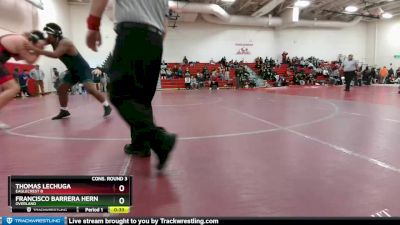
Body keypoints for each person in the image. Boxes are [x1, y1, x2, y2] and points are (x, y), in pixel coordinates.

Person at [86, 0, 176, 170]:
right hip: (155, 40)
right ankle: (140, 145)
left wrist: (93, 26)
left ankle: (159, 139)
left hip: (132, 33)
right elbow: (165, 26)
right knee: (142, 98)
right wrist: (151, 42)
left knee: (120, 94)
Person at [26, 23, 112, 120]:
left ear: (56, 35)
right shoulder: (52, 40)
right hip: (72, 71)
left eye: (49, 35)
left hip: (82, 69)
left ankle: (106, 105)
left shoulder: (65, 42)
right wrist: (31, 39)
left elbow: (55, 54)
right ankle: (64, 110)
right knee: (61, 89)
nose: (47, 38)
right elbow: (40, 43)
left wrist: (35, 50)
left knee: (90, 89)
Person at [0, 30, 46, 129]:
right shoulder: (22, 41)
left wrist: (35, 50)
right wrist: (39, 50)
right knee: (13, 88)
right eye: (38, 44)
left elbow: (18, 58)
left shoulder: (20, 39)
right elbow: (30, 60)